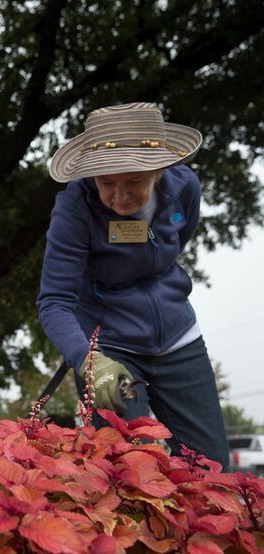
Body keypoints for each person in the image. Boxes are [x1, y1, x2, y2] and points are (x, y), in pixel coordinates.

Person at [37, 102, 229, 468]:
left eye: (134, 182)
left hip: (178, 336)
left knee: (214, 469)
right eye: (107, 183)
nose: (120, 197)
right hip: (108, 347)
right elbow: (55, 302)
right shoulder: (74, 209)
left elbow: (174, 242)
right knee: (133, 468)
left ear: (159, 169)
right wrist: (89, 361)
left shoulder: (185, 187)